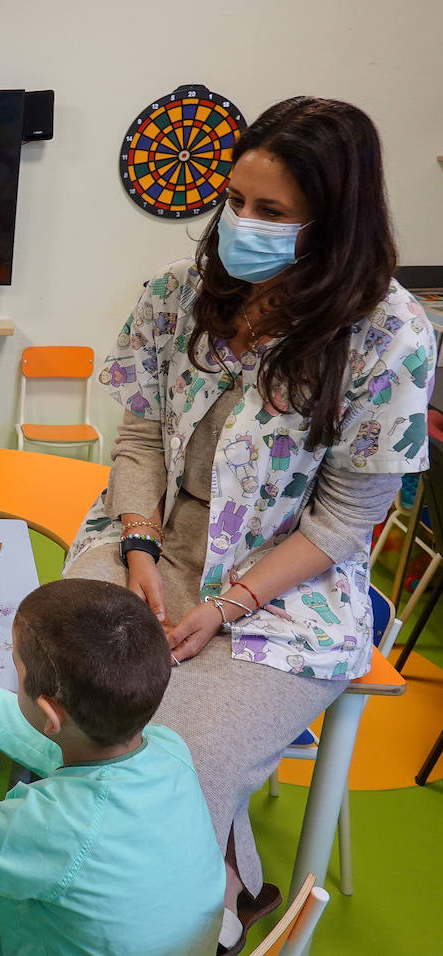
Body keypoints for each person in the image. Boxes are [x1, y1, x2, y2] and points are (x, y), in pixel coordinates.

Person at [63, 96, 435, 953]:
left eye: (272, 212)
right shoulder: (179, 295)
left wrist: (226, 606)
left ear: (334, 225)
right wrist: (140, 546)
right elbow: (143, 433)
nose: (241, 223)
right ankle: (141, 888)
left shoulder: (390, 335)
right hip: (153, 535)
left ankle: (205, 912)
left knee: (178, 764)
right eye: (234, 199)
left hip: (284, 582)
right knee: (63, 699)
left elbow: (346, 519)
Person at [0, 578, 224, 955]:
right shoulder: (170, 748)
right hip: (174, 942)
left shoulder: (50, 826)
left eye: (16, 667)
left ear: (50, 713)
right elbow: (65, 747)